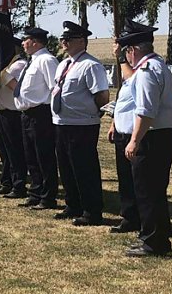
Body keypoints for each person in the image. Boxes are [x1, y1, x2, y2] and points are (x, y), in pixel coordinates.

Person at [111, 19, 172, 257]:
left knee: (148, 191)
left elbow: (146, 110)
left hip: (152, 138)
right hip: (159, 135)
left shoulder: (148, 71)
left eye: (127, 50)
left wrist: (134, 140)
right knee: (154, 190)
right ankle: (157, 235)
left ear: (134, 49)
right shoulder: (156, 66)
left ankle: (153, 242)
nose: (127, 56)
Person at [51, 21, 110, 226]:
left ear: (82, 41)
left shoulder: (91, 65)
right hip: (61, 122)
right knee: (66, 167)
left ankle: (91, 210)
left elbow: (102, 95)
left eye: (68, 39)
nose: (63, 42)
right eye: (62, 39)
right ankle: (72, 204)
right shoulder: (64, 64)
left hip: (82, 124)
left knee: (84, 168)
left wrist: (93, 113)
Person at [14, 26, 59, 209]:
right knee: (31, 156)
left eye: (25, 40)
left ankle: (48, 196)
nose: (23, 43)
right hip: (27, 114)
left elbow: (54, 88)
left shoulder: (47, 60)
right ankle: (36, 191)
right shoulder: (32, 61)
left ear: (35, 42)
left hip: (41, 114)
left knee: (44, 156)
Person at [0, 39, 29, 199]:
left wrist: (0, 72)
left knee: (15, 152)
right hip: (1, 112)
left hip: (13, 113)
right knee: (5, 152)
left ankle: (18, 184)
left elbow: (16, 87)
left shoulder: (19, 65)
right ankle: (6, 182)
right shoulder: (6, 66)